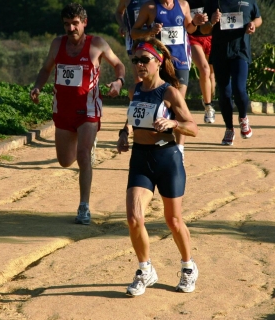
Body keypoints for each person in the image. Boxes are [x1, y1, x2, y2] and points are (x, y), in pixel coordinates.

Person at [30, 3, 125, 225]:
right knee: (65, 161)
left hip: (88, 110)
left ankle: (84, 207)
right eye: (66, 24)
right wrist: (37, 87)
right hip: (63, 109)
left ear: (84, 22)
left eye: (75, 23)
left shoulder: (97, 44)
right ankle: (84, 149)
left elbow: (118, 64)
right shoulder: (57, 44)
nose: (71, 28)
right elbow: (46, 69)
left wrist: (119, 82)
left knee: (83, 156)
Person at [117, 37, 198, 296]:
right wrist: (123, 133)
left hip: (167, 159)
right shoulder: (135, 90)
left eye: (145, 59)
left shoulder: (170, 93)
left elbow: (193, 127)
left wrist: (173, 124)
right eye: (135, 60)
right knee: (133, 217)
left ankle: (188, 267)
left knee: (173, 221)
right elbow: (131, 119)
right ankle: (145, 269)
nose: (139, 64)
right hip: (140, 159)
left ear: (158, 62)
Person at [131, 0, 207, 158]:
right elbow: (134, 32)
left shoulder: (184, 5)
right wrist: (150, 31)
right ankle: (156, 141)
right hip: (158, 61)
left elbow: (189, 29)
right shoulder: (150, 7)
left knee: (179, 102)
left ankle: (179, 149)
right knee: (159, 102)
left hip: (181, 60)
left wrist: (194, 22)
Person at [201, 1, 262, 145]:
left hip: (240, 51)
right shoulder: (214, 2)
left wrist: (253, 24)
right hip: (220, 53)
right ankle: (229, 128)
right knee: (225, 93)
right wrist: (211, 22)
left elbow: (258, 18)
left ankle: (243, 118)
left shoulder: (248, 1)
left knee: (239, 89)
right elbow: (203, 30)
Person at [187, 0, 216, 123]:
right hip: (193, 38)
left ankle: (209, 101)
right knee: (204, 69)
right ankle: (208, 106)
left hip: (212, 37)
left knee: (211, 75)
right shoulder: (185, 2)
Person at [115, 0, 150, 83]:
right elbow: (118, 12)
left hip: (150, 40)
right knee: (139, 78)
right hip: (132, 41)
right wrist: (122, 25)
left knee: (152, 76)